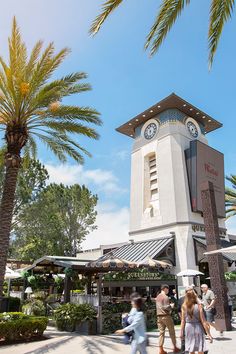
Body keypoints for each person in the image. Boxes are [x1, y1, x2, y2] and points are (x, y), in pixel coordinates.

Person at [180, 289, 212, 354]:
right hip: (198, 327)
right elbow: (203, 321)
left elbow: (183, 320)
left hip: (188, 327)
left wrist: (181, 332)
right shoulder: (199, 306)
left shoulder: (184, 306)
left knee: (191, 349)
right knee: (200, 348)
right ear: (194, 297)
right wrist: (208, 334)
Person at [156, 284, 181, 354]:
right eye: (168, 289)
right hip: (166, 316)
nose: (168, 291)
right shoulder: (165, 297)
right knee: (172, 332)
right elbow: (166, 307)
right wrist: (171, 306)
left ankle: (161, 350)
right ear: (165, 289)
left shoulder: (158, 297)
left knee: (161, 333)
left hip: (159, 317)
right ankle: (175, 347)